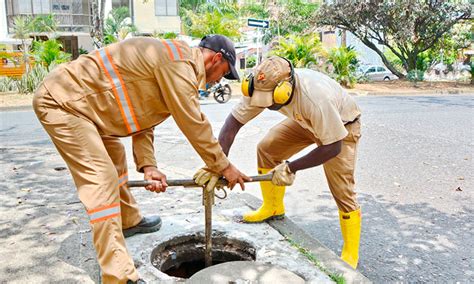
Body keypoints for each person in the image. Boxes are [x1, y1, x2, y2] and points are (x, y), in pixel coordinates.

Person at [33, 34, 250, 283]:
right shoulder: (179, 65)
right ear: (216, 58)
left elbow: (143, 115)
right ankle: (119, 275)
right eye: (224, 72)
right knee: (101, 180)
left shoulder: (174, 61)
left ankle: (128, 220)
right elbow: (193, 123)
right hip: (63, 102)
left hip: (87, 109)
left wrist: (149, 166)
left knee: (115, 159)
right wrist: (224, 166)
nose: (219, 80)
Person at [217, 56, 362, 269]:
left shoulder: (315, 98)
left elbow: (333, 147)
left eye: (270, 100)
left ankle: (351, 251)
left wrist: (290, 167)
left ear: (285, 90)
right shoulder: (261, 86)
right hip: (305, 122)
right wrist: (219, 164)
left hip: (342, 128)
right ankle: (273, 207)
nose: (265, 105)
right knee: (267, 148)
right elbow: (232, 125)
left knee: (342, 188)